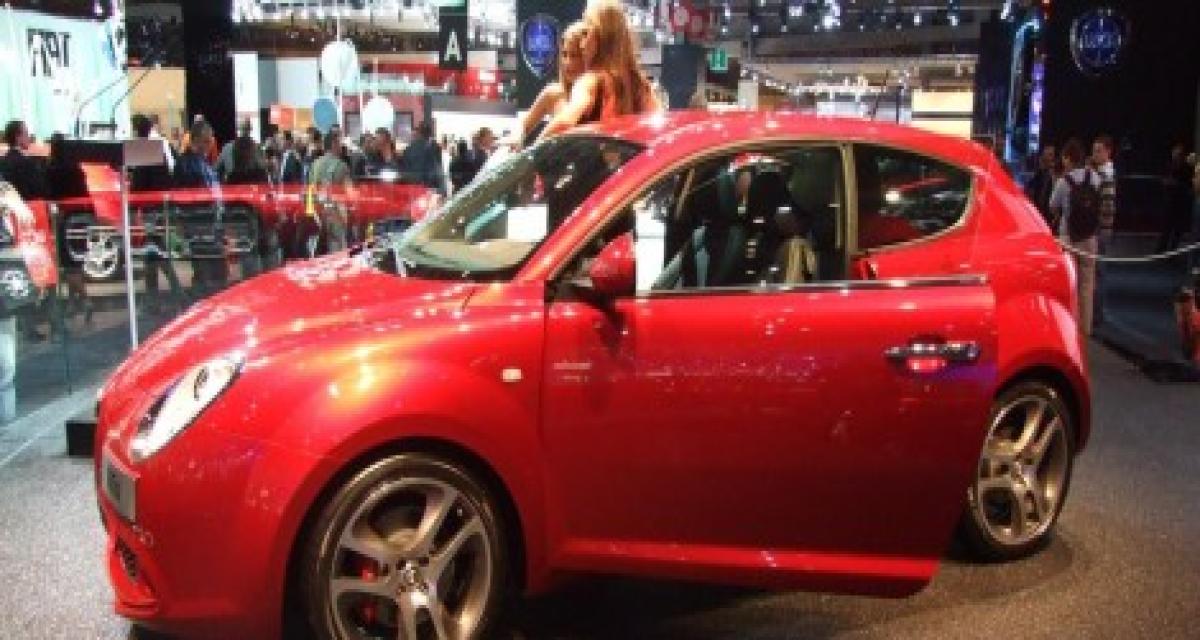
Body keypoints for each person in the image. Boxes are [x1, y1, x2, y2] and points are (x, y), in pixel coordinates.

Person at [539, 1, 661, 140]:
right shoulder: (640, 85)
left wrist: (536, 150)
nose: (582, 44)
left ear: (600, 37)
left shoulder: (590, 81)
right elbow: (658, 127)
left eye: (586, 34)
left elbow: (565, 121)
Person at [1050, 138, 1102, 335]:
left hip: (1068, 238)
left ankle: (1070, 327)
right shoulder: (1095, 177)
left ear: (1067, 158)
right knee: (1087, 285)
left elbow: (1052, 205)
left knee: (1070, 285)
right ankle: (1085, 330)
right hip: (1090, 237)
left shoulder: (1064, 181)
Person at [518, 21, 588, 146]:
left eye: (575, 55)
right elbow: (523, 127)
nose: (567, 62)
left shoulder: (602, 96)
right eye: (564, 54)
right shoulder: (553, 93)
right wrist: (516, 138)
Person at [1090, 134, 1117, 326]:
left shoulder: (1106, 175)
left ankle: (1097, 315)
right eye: (1094, 150)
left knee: (1098, 272)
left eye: (1099, 151)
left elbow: (1107, 208)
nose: (1095, 154)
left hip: (1101, 230)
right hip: (1100, 229)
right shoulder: (1101, 173)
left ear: (1108, 152)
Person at [1159, 143, 1195, 254]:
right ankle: (1161, 250)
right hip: (1170, 201)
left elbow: (1188, 184)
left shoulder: (1186, 168)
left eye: (1178, 154)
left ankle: (1172, 251)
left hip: (1181, 202)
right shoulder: (1169, 165)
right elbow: (1164, 179)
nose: (1175, 155)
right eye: (1174, 153)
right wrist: (1167, 182)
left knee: (1177, 230)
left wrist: (1176, 184)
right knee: (1166, 228)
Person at [0, 121, 47, 201]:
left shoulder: (4, 161)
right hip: (30, 204)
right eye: (26, 133)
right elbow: (40, 189)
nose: (29, 137)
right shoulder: (26, 163)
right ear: (18, 138)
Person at [399, 122, 446, 195]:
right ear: (430, 134)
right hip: (429, 188)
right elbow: (438, 169)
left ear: (419, 133)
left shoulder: (409, 149)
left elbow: (404, 171)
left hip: (413, 188)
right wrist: (442, 190)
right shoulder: (435, 148)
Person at [1026, 144, 1059, 225]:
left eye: (1052, 155)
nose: (1051, 158)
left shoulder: (1055, 175)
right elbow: (1029, 192)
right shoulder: (1036, 173)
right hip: (1036, 215)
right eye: (1049, 155)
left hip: (1048, 217)